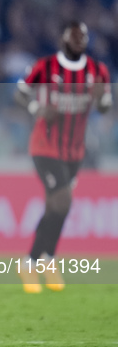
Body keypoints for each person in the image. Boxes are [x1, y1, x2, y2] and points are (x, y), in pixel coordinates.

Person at [15, 21, 112, 293]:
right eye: (75, 35)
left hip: (75, 151)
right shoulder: (45, 67)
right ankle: (40, 259)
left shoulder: (97, 70)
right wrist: (37, 107)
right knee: (62, 200)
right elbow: (20, 94)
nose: (80, 41)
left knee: (58, 207)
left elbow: (105, 106)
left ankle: (38, 260)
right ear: (64, 37)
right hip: (44, 146)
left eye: (84, 36)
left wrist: (101, 100)